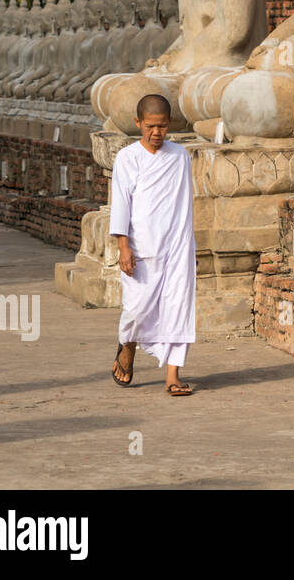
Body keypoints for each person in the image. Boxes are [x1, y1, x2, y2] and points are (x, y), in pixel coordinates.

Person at [109, 93, 197, 395]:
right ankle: (127, 346)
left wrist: (187, 248)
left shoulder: (180, 156)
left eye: (161, 127)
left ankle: (173, 375)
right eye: (149, 126)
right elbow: (121, 204)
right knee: (136, 309)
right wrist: (123, 246)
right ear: (138, 123)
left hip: (177, 245)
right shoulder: (127, 158)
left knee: (178, 307)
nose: (155, 133)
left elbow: (184, 204)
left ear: (169, 124)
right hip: (141, 247)